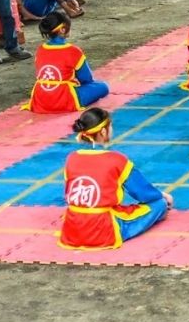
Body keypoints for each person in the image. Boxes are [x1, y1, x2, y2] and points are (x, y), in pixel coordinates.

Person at [59, 107, 171, 249]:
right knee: (160, 204)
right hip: (104, 229)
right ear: (103, 131)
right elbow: (143, 193)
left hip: (72, 228)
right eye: (111, 126)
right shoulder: (116, 159)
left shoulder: (71, 158)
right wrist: (162, 196)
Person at [24, 12, 108, 113]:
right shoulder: (73, 51)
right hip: (64, 98)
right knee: (103, 86)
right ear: (63, 29)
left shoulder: (40, 49)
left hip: (40, 99)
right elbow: (87, 79)